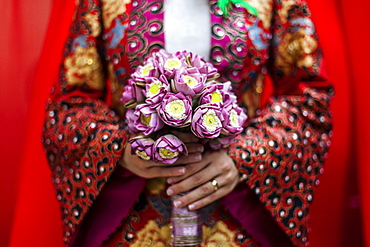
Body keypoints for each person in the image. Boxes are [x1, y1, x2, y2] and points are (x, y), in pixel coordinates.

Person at [42, 0, 333, 246]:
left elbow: (308, 96)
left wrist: (245, 156)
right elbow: (69, 105)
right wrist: (120, 150)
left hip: (236, 208)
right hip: (135, 217)